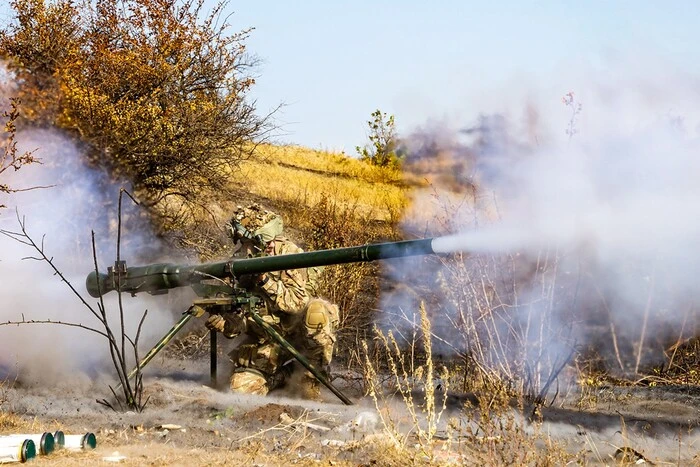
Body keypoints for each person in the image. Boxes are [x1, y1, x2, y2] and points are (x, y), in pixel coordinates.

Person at [204, 204, 339, 399]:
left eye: (245, 241)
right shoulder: (239, 263)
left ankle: (311, 375)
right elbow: (239, 317)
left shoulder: (289, 255)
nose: (242, 246)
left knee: (317, 310)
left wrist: (264, 280)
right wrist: (226, 325)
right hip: (267, 338)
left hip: (299, 334)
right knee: (240, 392)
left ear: (260, 240)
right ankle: (284, 376)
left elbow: (297, 303)